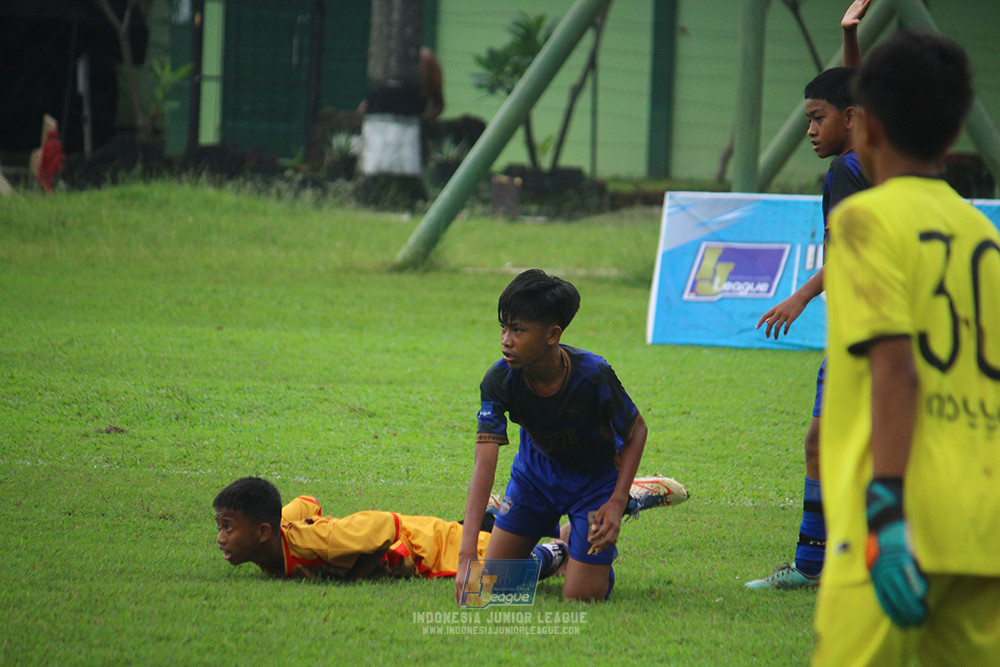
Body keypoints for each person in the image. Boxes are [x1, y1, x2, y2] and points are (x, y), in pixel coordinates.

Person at [813, 29, 1000, 665]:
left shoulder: (864, 221)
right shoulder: (983, 234)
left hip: (895, 525)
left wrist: (888, 512)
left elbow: (897, 372)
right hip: (982, 528)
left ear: (864, 125)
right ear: (954, 135)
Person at [746, 0, 872, 590]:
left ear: (846, 118)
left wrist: (799, 297)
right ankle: (827, 562)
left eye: (818, 118)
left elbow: (844, 254)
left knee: (826, 445)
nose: (810, 129)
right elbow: (859, 97)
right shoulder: (873, 156)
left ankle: (816, 566)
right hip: (885, 329)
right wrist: (850, 37)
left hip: (863, 332)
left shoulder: (846, 171)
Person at [455, 269, 650, 604]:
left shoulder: (594, 375)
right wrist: (466, 555)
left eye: (518, 330)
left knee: (581, 597)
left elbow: (637, 431)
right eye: (503, 327)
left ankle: (623, 505)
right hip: (534, 480)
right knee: (485, 589)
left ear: (552, 334)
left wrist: (616, 502)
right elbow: (483, 465)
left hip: (595, 485)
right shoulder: (499, 381)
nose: (505, 340)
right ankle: (559, 549)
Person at [214, 474, 686, 581]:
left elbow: (382, 527)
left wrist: (365, 570)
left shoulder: (322, 541)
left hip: (437, 549)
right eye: (221, 527)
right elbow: (306, 502)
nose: (220, 538)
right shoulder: (276, 537)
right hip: (434, 536)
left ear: (262, 532)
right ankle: (503, 515)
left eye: (228, 527)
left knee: (496, 586)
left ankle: (622, 500)